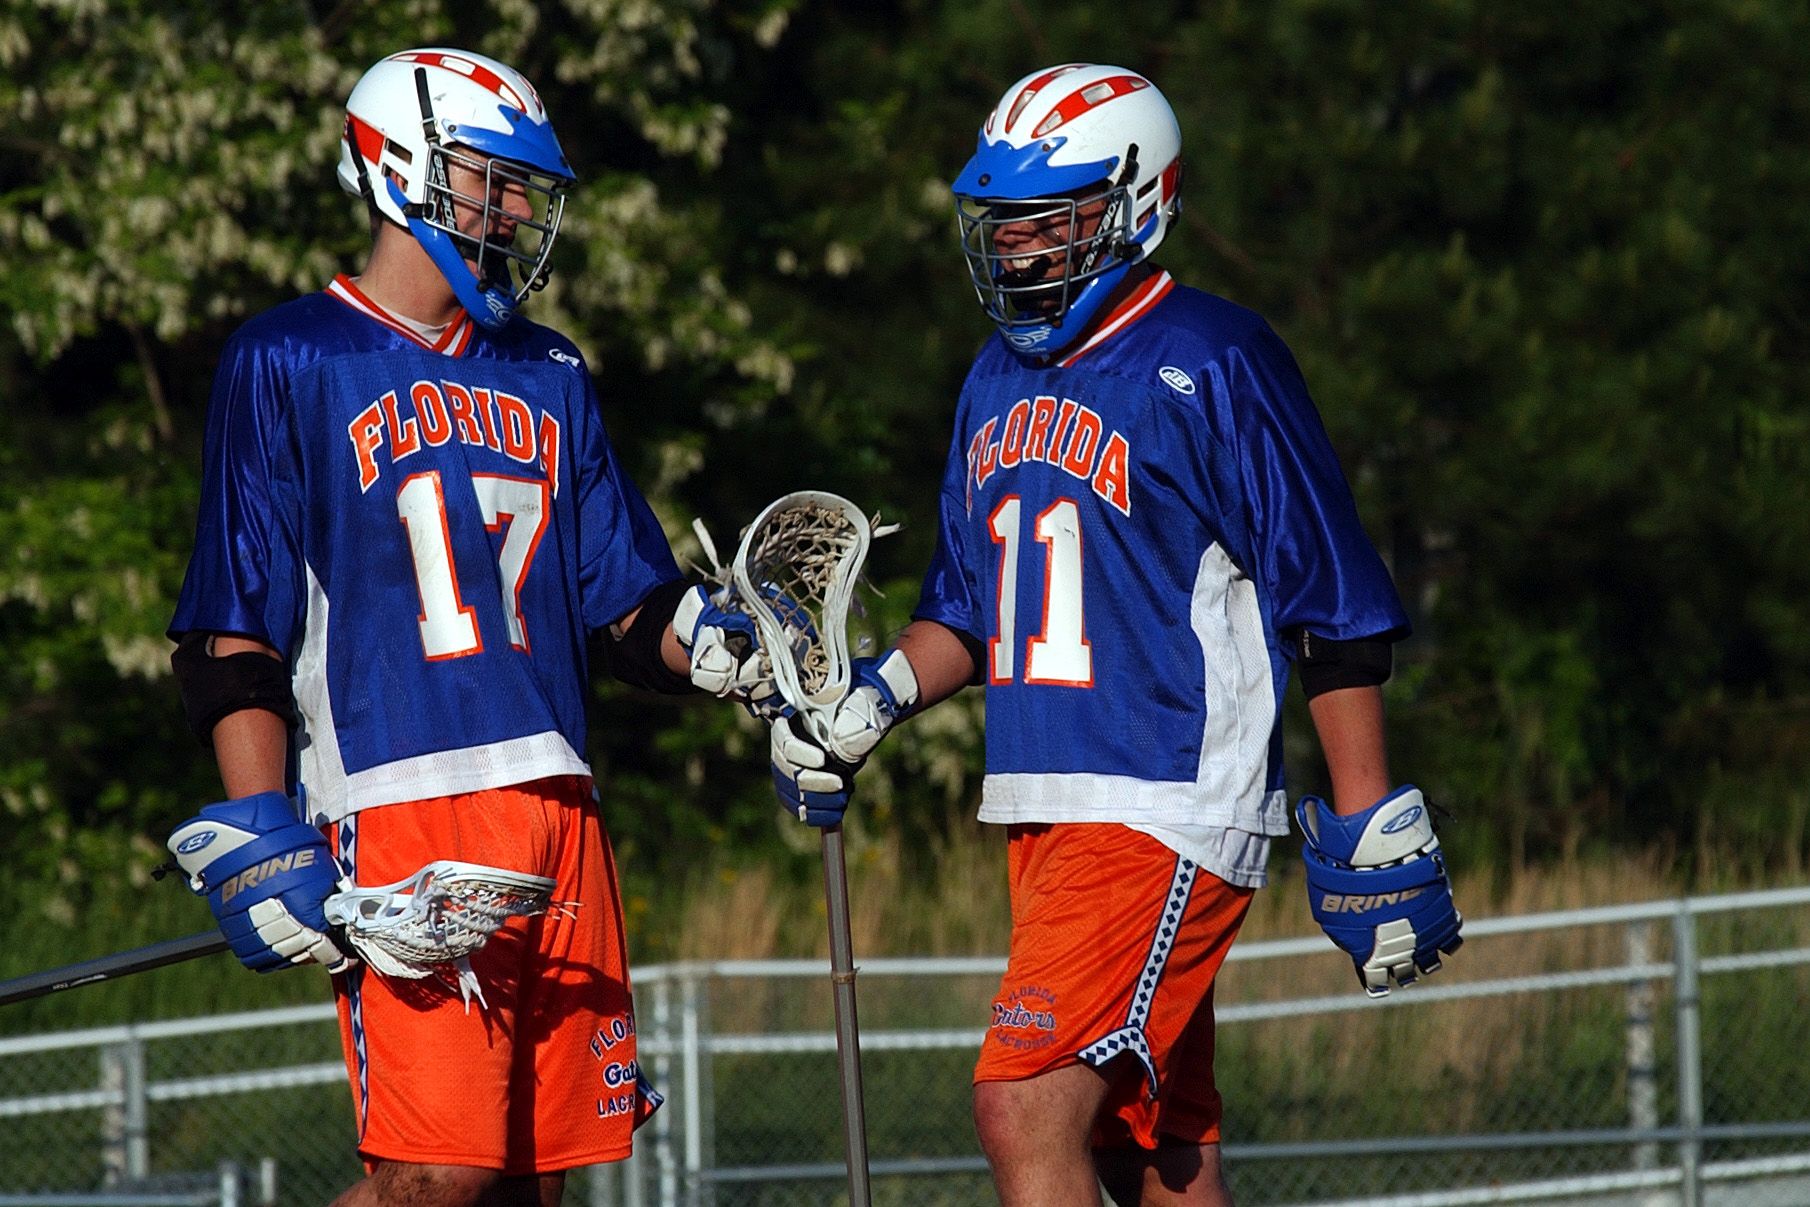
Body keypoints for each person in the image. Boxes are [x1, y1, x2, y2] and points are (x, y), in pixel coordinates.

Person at [769, 64, 1464, 1206]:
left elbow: (1326, 596)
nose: (1015, 246)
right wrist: (871, 701)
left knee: (1023, 1102)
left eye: (1044, 218)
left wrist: (1367, 807)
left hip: (1162, 797)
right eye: (1002, 222)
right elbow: (968, 607)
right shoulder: (992, 377)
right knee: (1151, 1150)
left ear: (1133, 203)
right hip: (1044, 806)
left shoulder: (1215, 355)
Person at [161, 48, 759, 1207]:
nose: (515, 213)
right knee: (438, 1175)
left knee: (534, 1181)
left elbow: (625, 605)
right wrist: (261, 819)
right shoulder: (291, 355)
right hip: (401, 804)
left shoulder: (551, 367)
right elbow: (235, 621)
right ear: (400, 169)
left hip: (558, 799)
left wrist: (729, 650)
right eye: (491, 181)